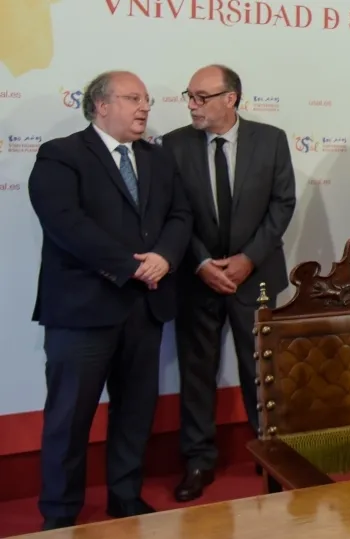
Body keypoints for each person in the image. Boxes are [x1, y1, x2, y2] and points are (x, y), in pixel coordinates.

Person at [28, 70, 192, 530]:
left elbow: (181, 214)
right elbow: (65, 223)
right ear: (101, 105)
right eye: (133, 98)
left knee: (135, 412)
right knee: (69, 419)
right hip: (82, 312)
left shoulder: (158, 159)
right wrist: (131, 265)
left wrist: (163, 257)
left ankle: (125, 497)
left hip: (145, 309)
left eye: (147, 99)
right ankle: (59, 514)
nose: (144, 107)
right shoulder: (61, 154)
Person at [160, 64, 296, 502]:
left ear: (230, 98)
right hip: (197, 278)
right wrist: (201, 262)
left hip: (254, 278)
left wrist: (247, 259)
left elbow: (282, 204)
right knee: (197, 372)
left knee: (261, 371)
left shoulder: (271, 139)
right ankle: (198, 459)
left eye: (202, 97)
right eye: (190, 96)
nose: (192, 105)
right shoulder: (174, 145)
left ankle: (270, 454)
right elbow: (171, 211)